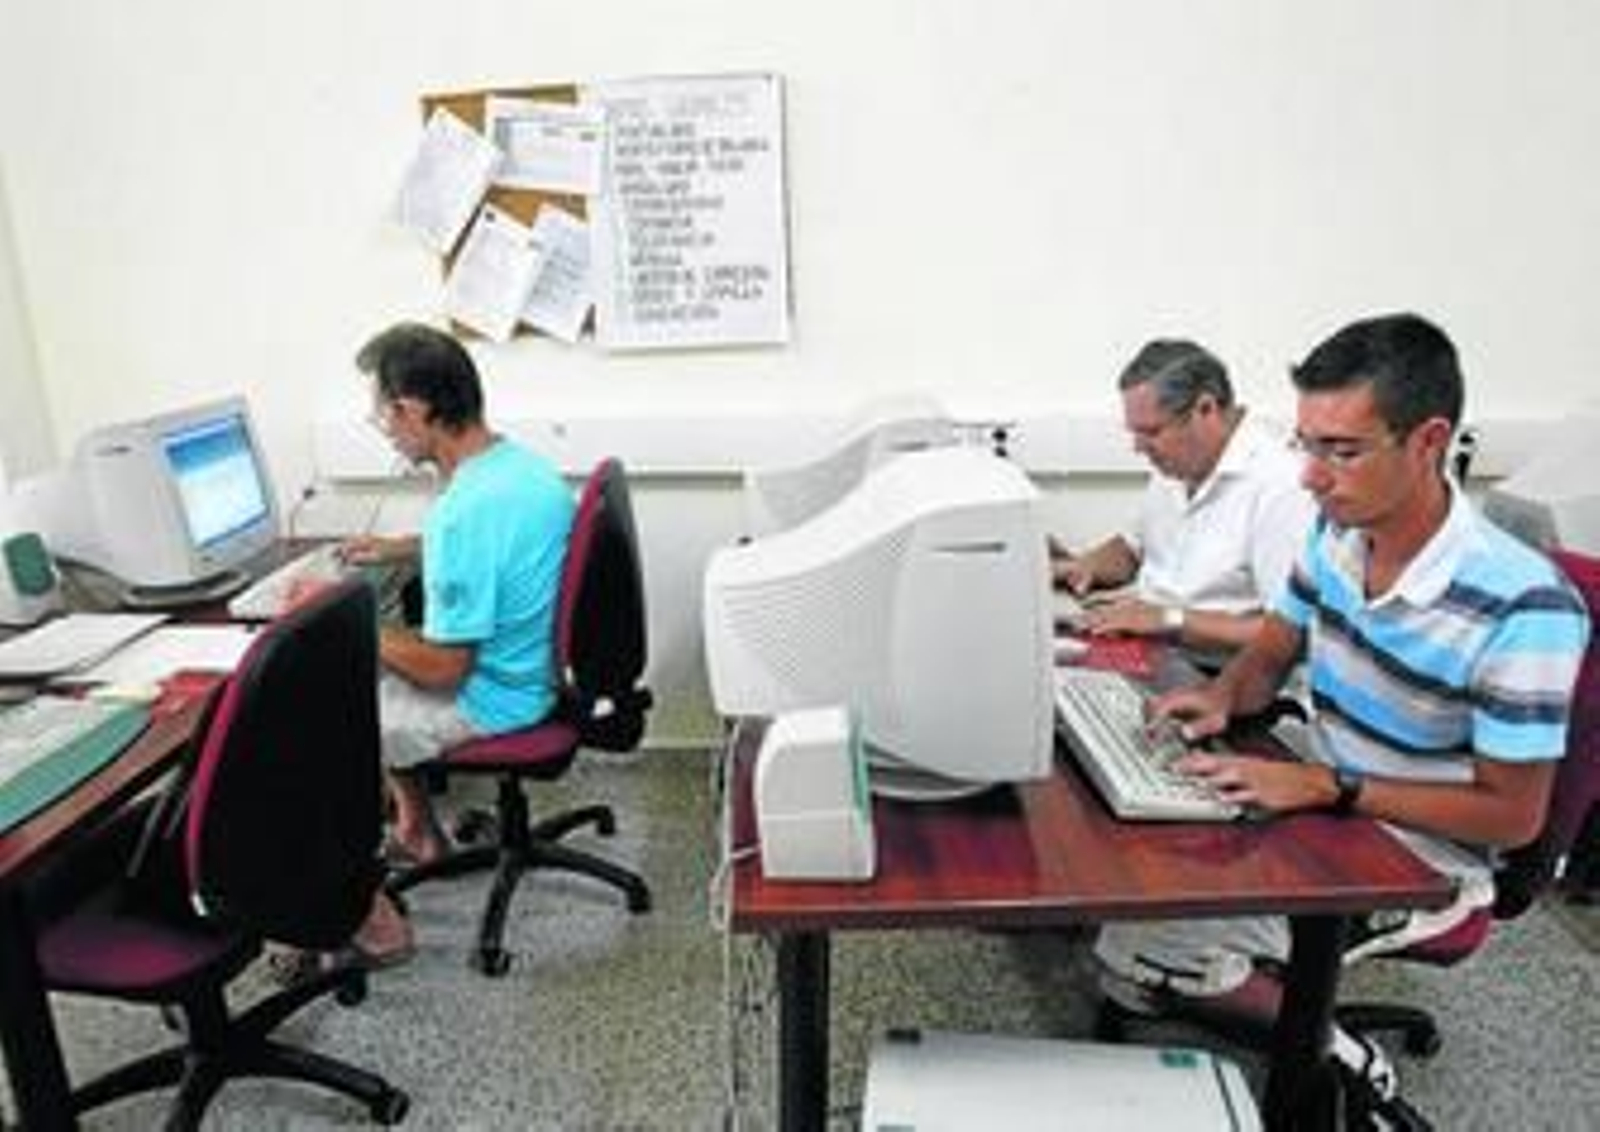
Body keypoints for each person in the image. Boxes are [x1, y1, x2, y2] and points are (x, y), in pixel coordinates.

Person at [1093, 312, 1591, 1011]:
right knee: (1129, 863)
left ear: (1429, 442)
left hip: (1420, 853)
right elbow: (1271, 646)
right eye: (1306, 445)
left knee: (1142, 944)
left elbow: (1510, 818)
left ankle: (1338, 1064)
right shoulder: (1337, 533)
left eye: (1342, 451)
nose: (1310, 477)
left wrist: (1328, 786)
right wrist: (1224, 697)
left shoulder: (1526, 606)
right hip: (1324, 777)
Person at [332, 322, 576, 966]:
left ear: (411, 410)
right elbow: (497, 550)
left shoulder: (462, 513)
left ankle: (364, 915)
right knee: (376, 660)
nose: (383, 427)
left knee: (319, 716)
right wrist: (405, 549)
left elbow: (442, 670)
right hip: (537, 671)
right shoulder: (517, 468)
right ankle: (417, 824)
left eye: (381, 413)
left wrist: (348, 623)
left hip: (492, 700)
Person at [1052, 339, 1314, 655]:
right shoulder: (1176, 464)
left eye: (1150, 432)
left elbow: (1292, 634)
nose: (1138, 447)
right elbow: (1131, 548)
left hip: (1225, 677)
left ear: (1206, 409)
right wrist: (1085, 565)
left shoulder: (1280, 485)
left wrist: (1167, 619)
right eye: (1134, 432)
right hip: (1158, 651)